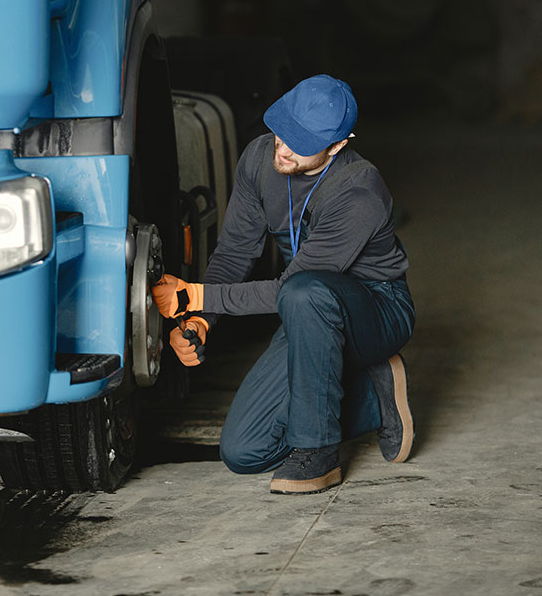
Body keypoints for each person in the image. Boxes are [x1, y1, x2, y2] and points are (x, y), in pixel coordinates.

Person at [152, 74, 415, 494]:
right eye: (282, 131)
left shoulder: (359, 191)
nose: (285, 148)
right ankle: (370, 396)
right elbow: (236, 250)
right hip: (305, 309)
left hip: (376, 309)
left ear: (338, 146)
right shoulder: (260, 158)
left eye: (302, 142)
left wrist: (192, 295)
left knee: (304, 292)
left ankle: (319, 453)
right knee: (245, 451)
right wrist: (202, 318)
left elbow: (287, 289)